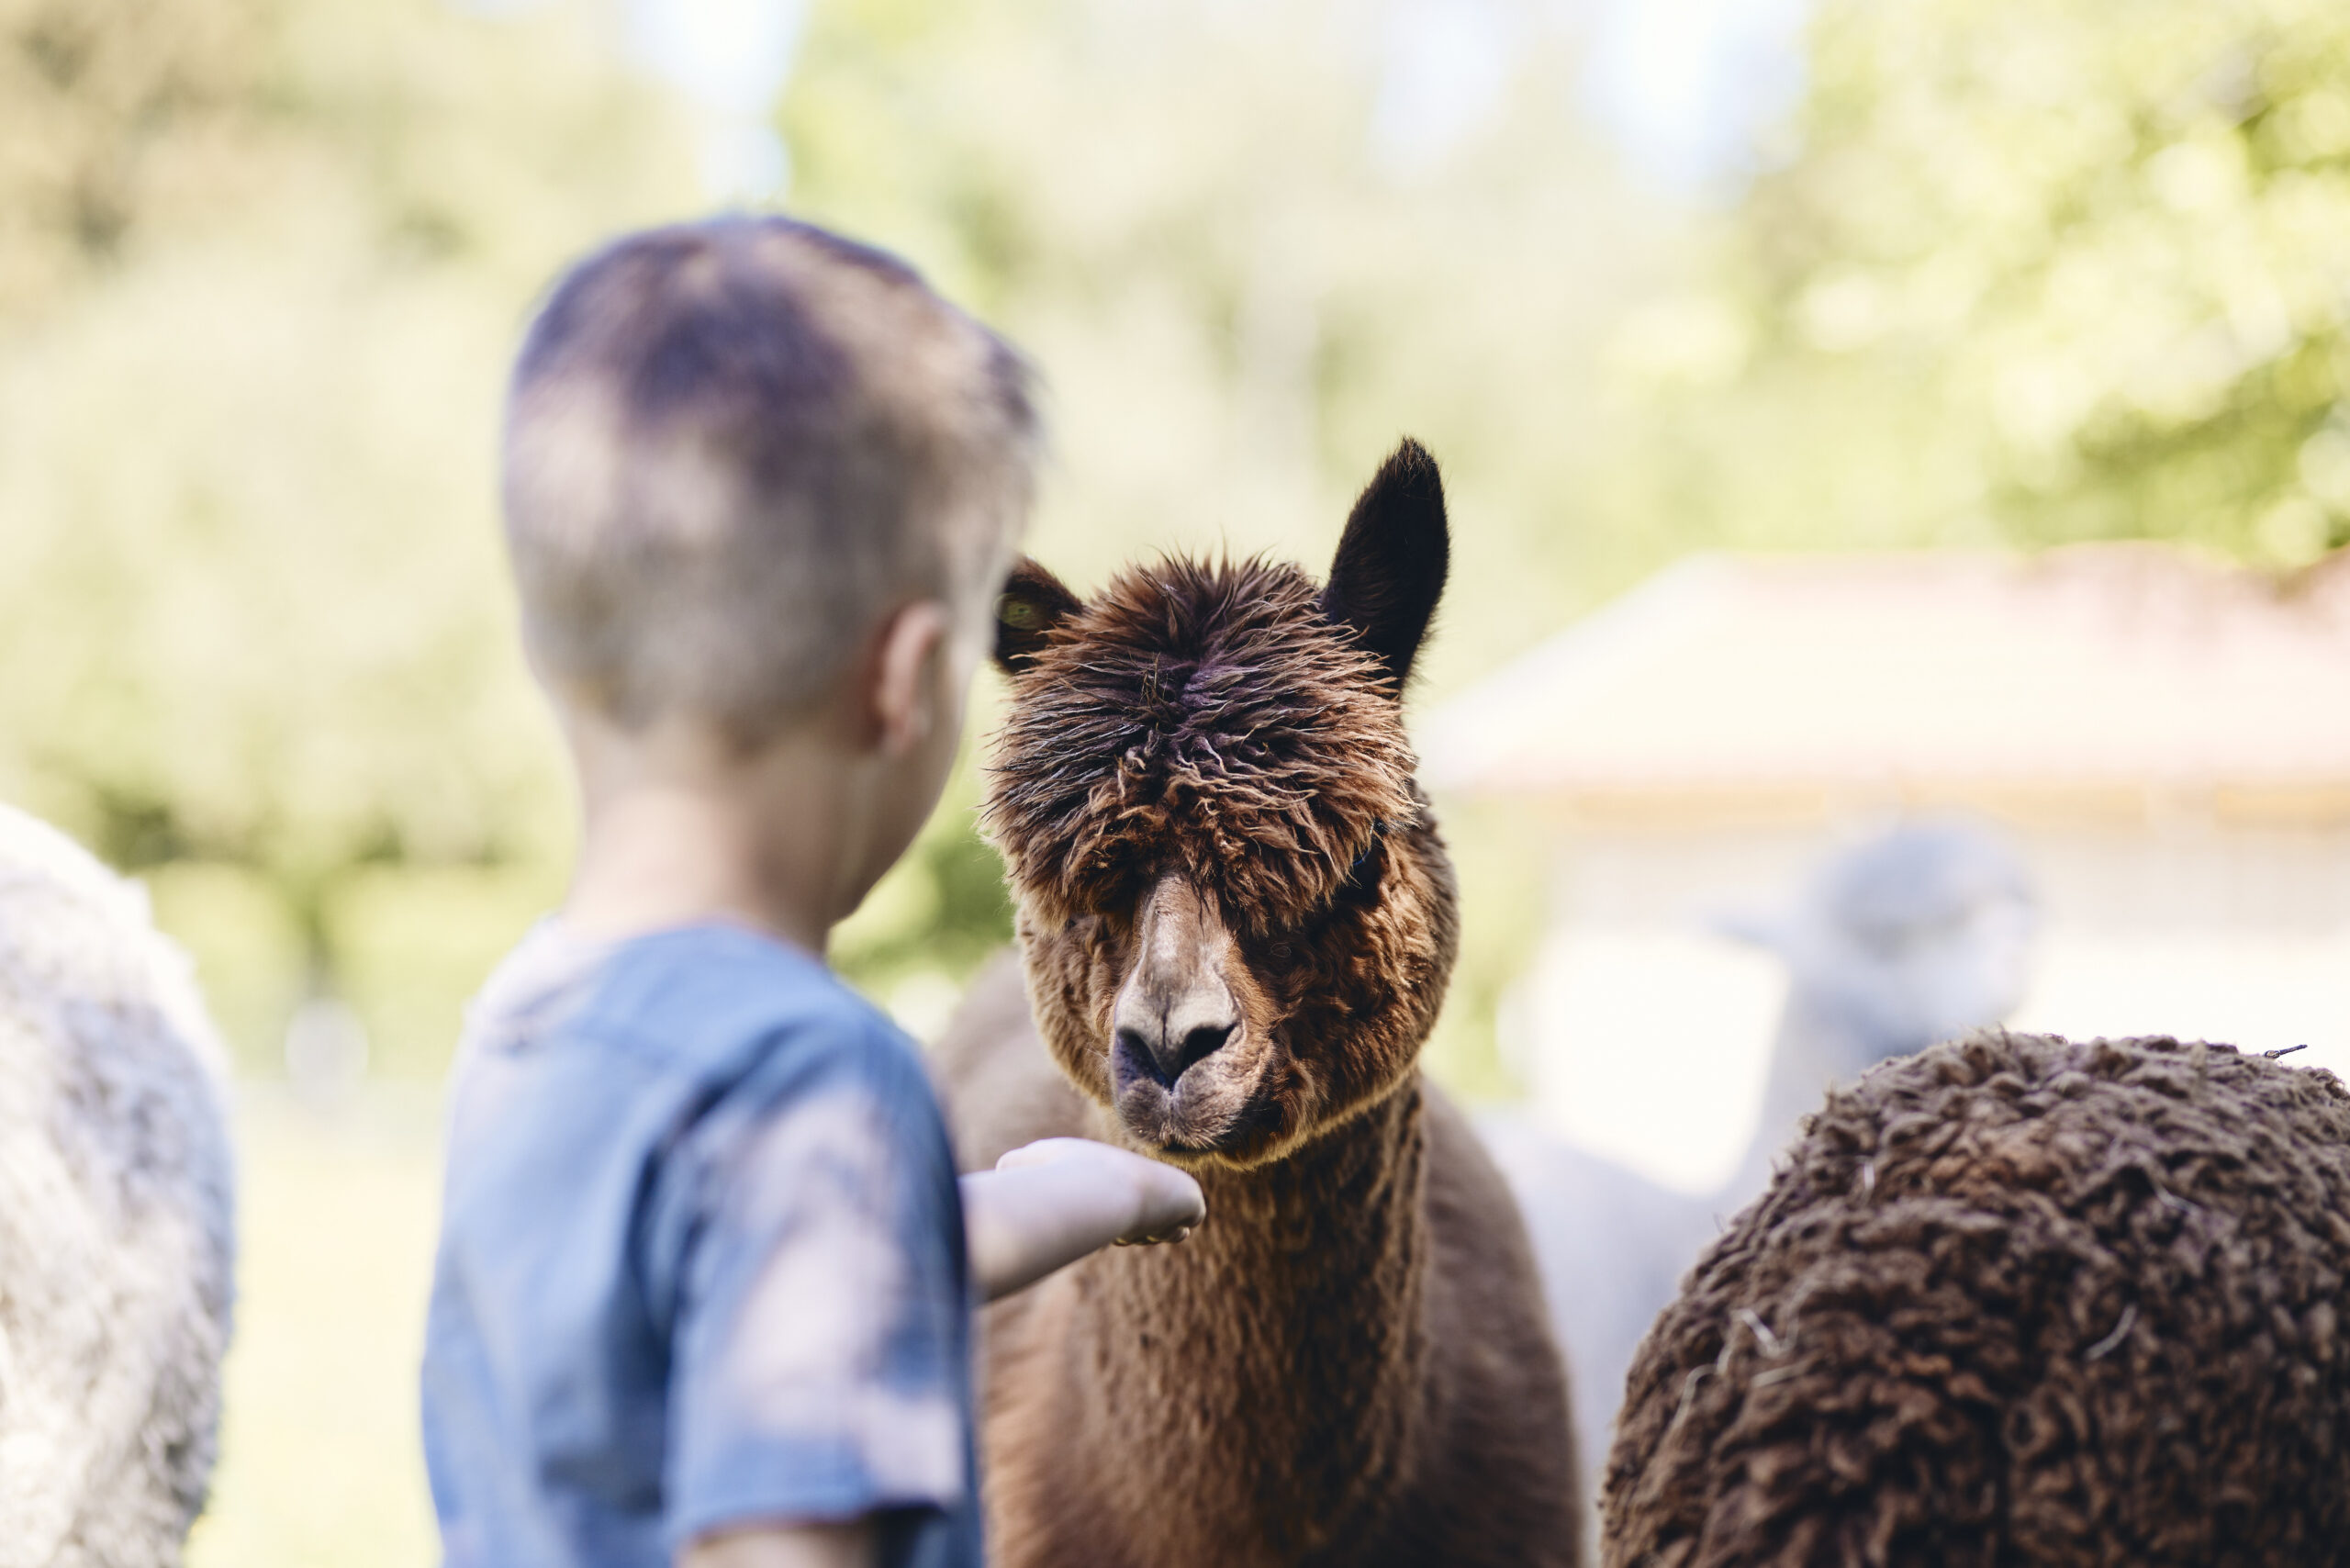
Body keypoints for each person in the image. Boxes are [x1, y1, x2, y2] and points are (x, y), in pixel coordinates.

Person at [420, 216, 1204, 1568]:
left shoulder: (532, 1024)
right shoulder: (813, 1084)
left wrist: (1055, 1201)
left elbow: (723, 1301)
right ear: (902, 683)